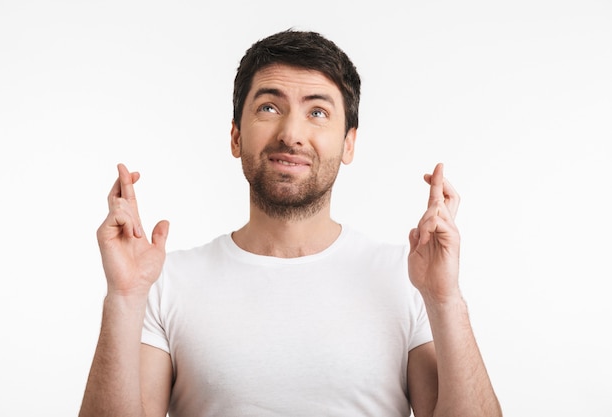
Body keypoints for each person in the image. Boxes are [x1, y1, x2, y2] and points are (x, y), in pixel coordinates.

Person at [79, 29, 502, 417]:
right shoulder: (166, 281)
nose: (291, 133)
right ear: (236, 136)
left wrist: (445, 300)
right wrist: (124, 297)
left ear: (349, 142)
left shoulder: (408, 279)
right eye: (269, 107)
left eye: (318, 112)